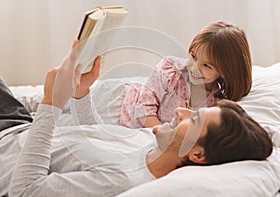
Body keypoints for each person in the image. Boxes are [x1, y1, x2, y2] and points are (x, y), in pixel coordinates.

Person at [0, 46, 271, 196]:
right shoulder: (153, 141)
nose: (181, 111)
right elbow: (89, 139)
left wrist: (50, 104)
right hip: (17, 124)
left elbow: (25, 191)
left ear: (198, 154)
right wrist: (81, 94)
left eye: (195, 118)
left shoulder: (121, 181)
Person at [73, 20, 253, 128]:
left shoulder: (216, 104)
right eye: (193, 56)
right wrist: (164, 136)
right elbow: (143, 109)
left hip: (129, 125)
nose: (194, 68)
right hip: (119, 103)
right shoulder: (171, 69)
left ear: (226, 72)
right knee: (59, 108)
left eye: (207, 65)